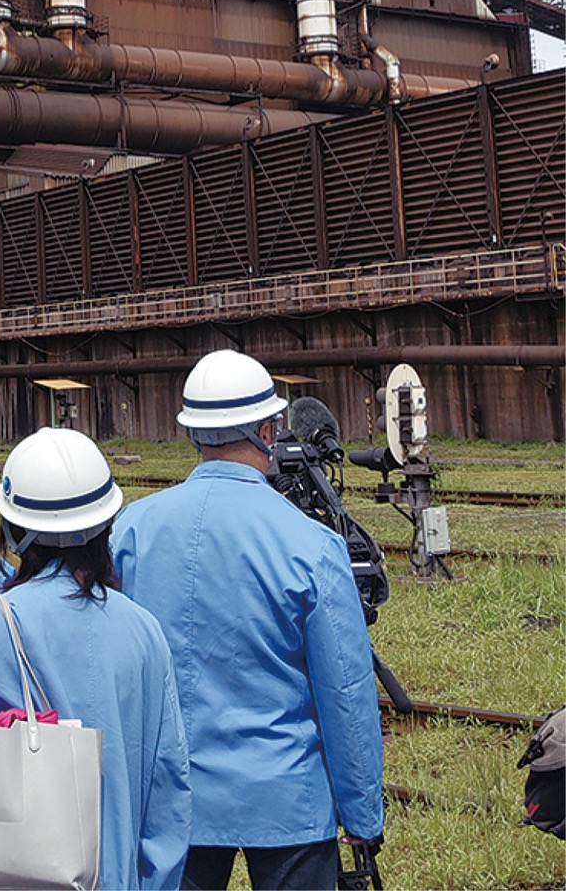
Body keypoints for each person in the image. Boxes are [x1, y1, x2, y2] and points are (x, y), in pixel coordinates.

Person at [110, 350, 385, 891]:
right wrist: (361, 814)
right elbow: (346, 693)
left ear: (193, 434)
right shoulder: (313, 545)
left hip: (171, 795)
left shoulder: (132, 530)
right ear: (268, 428)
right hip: (287, 797)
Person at [0, 427, 192, 891]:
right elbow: (169, 787)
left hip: (19, 872)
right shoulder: (144, 630)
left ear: (14, 532)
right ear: (105, 524)